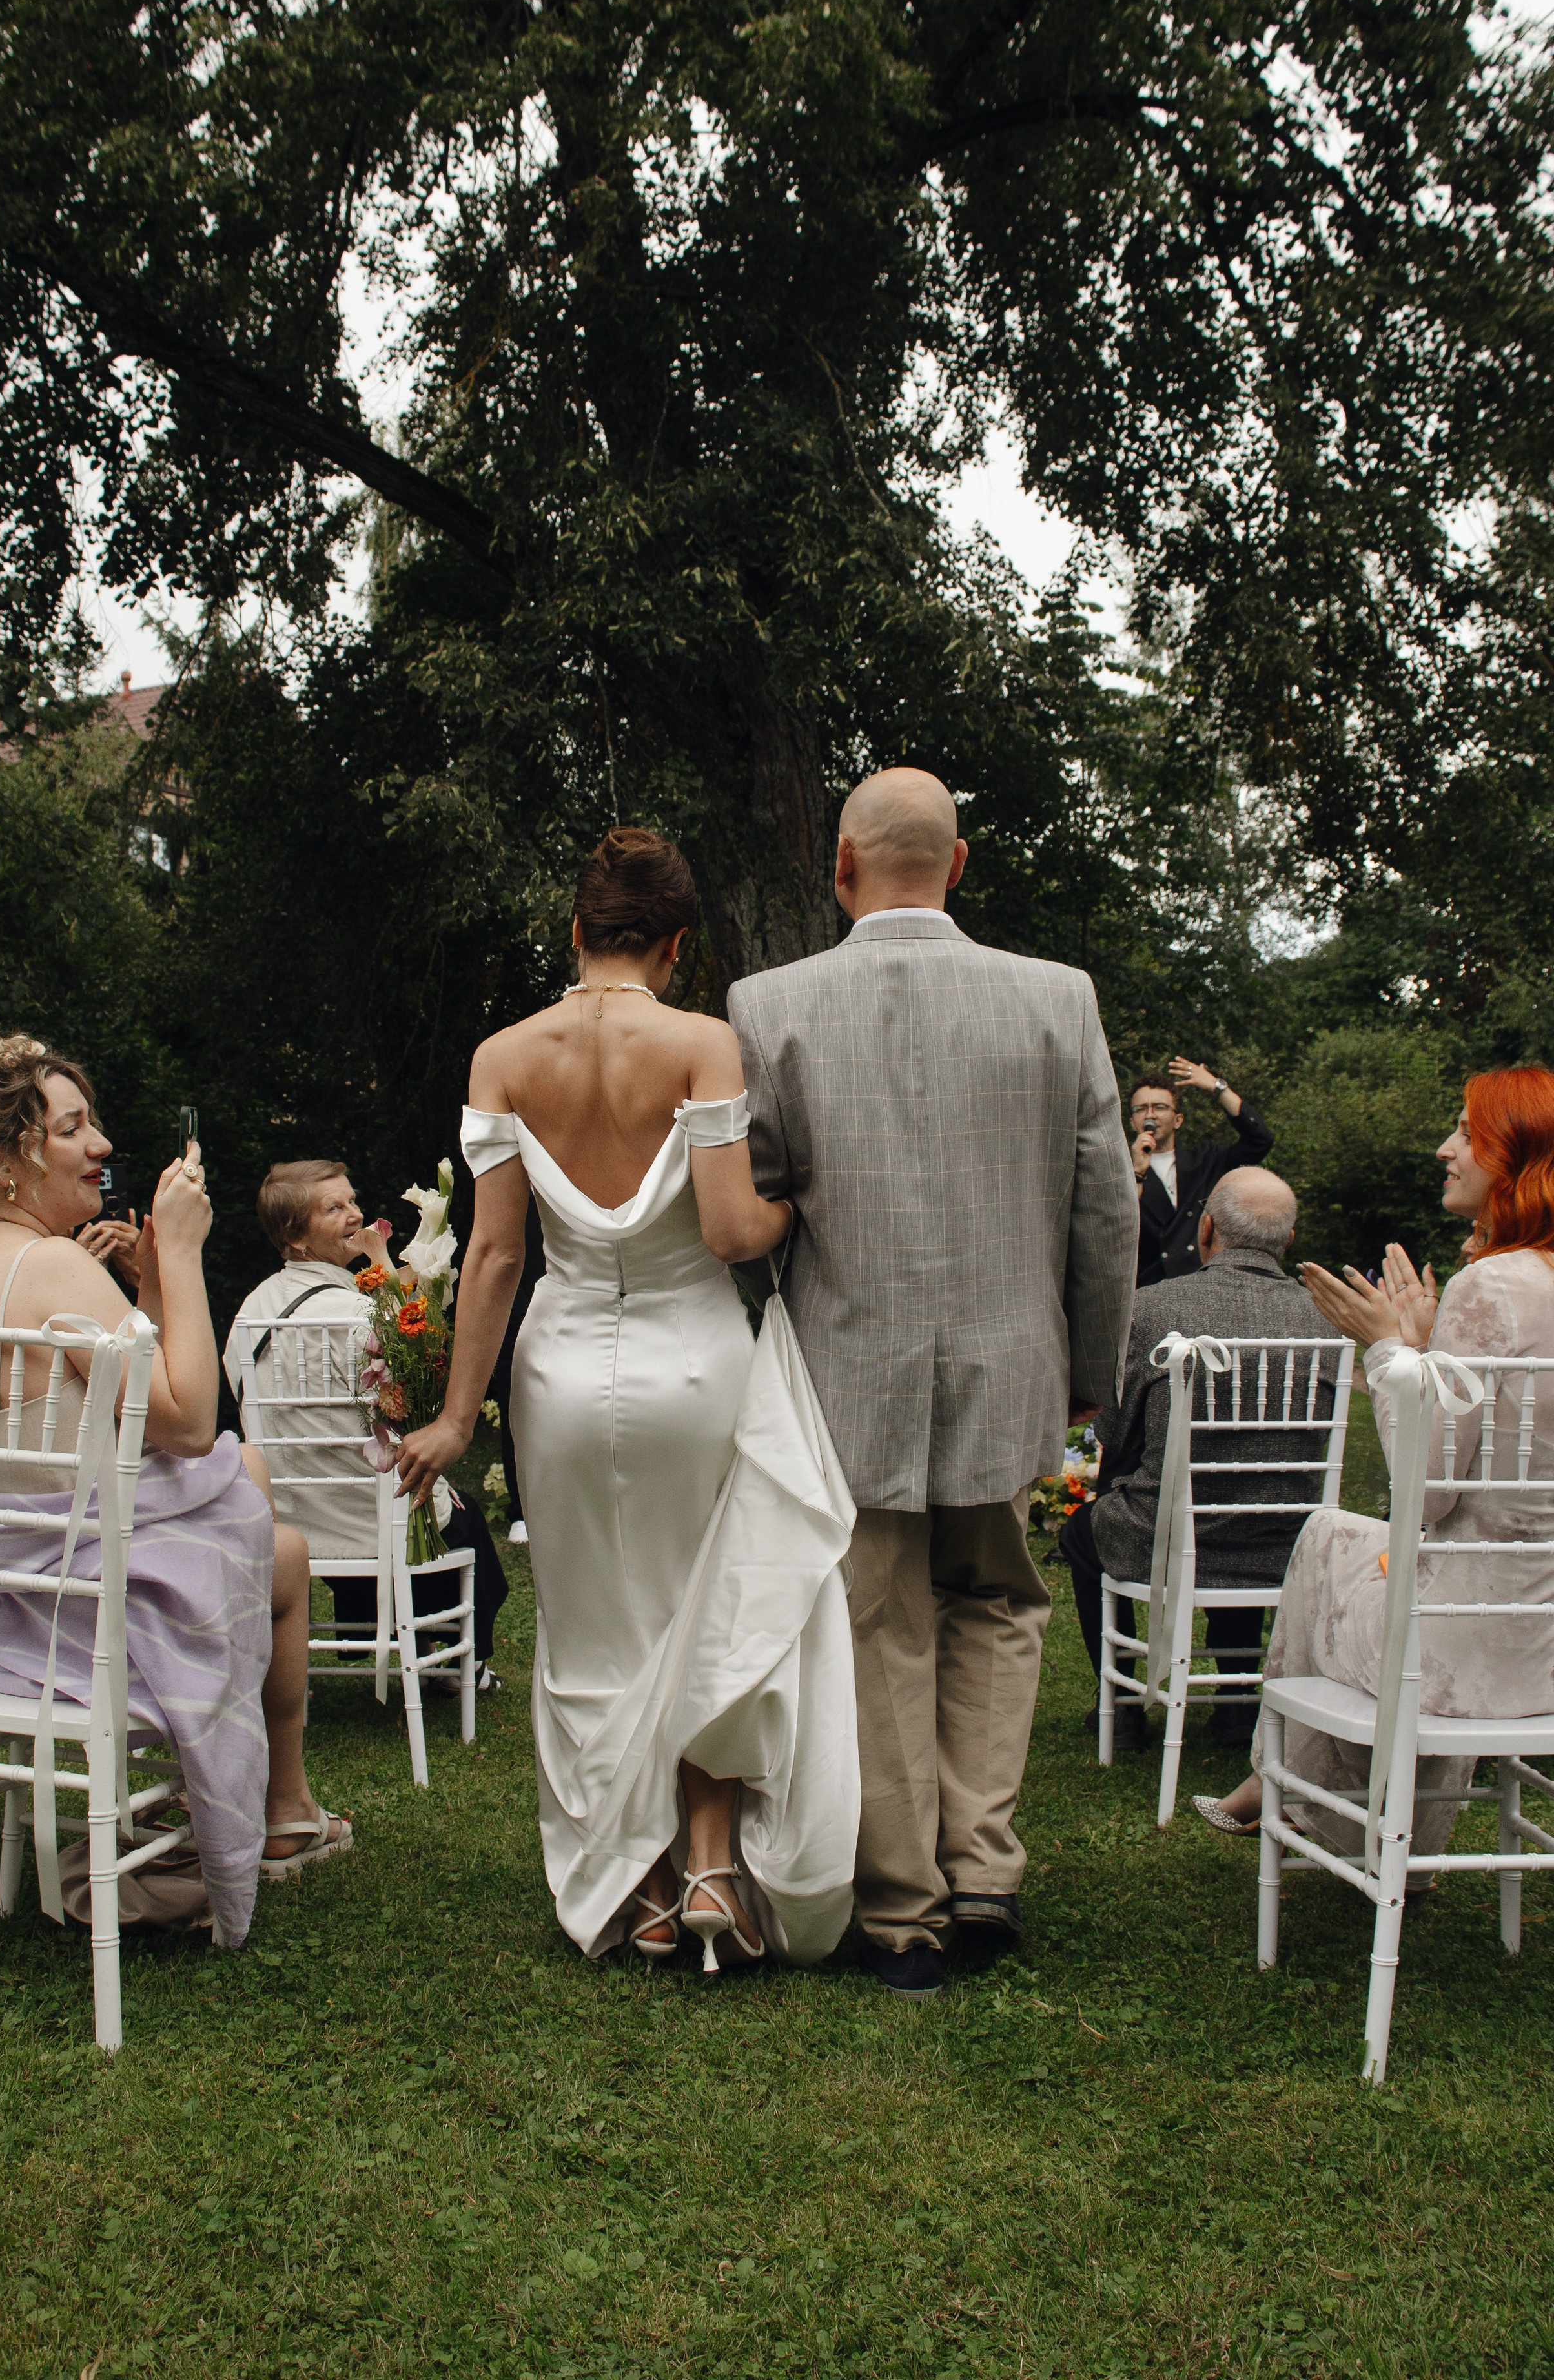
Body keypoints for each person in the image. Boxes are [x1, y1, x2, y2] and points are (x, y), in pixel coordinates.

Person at [395, 829, 859, 1972]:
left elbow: (495, 1257)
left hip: (559, 1371)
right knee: (706, 1605)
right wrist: (795, 1210)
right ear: (678, 943)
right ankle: (708, 1861)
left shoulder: (502, 1057)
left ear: (575, 932)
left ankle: (636, 1884)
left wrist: (458, 1418)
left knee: (596, 1622)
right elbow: (727, 1229)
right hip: (694, 1360)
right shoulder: (704, 1043)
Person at [728, 768, 1138, 1997]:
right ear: (957, 867)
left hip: (846, 1360)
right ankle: (986, 1872)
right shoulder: (1059, 999)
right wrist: (1088, 1367)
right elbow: (1107, 1208)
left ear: (841, 869)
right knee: (1001, 1606)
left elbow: (754, 1203)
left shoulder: (769, 1002)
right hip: (1015, 1359)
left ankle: (902, 1909)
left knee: (878, 1623)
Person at [0, 1025, 350, 1945]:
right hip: (82, 1616)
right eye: (72, 1130)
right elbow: (188, 1421)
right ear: (1, 1162)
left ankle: (212, 1808)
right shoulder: (54, 1268)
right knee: (279, 1541)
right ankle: (278, 1808)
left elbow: (126, 1415)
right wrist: (180, 1254)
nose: (102, 1146)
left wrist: (144, 1287)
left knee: (246, 1489)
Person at [1196, 1067, 1554, 1854]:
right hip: (1544, 1642)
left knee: (1325, 1536)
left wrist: (1390, 1352)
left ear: (1517, 1154)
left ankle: (1287, 1782)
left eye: (1465, 1131)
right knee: (1350, 1542)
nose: (1445, 1148)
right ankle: (1377, 1831)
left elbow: (1426, 1497)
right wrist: (1427, 1351)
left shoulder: (1491, 1284)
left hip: (1463, 1648)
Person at [1059, 1167, 1342, 1752]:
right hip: (1285, 1542)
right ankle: (1238, 1711)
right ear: (1287, 1242)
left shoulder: (1154, 1307)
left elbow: (1113, 1428)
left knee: (1083, 1536)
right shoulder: (1326, 1319)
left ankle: (1121, 1700)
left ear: (1206, 1227)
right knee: (1243, 1508)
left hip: (1164, 1540)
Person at [223, 1162, 508, 1688]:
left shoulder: (248, 1310)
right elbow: (403, 1402)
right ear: (294, 1235)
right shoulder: (355, 1315)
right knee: (458, 1514)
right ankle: (458, 1658)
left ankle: (412, 1643)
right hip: (369, 1514)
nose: (354, 1213)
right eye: (333, 1208)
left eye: (351, 1200)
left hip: (292, 1518)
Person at [1130, 1062, 1274, 1287]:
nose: (1150, 1115)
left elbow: (1259, 1141)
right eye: (1141, 1109)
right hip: (1149, 1289)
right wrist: (1136, 1172)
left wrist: (1218, 1088)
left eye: (1159, 1107)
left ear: (1178, 1120)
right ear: (1133, 1122)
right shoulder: (1118, 1171)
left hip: (1204, 1284)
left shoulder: (1206, 1161)